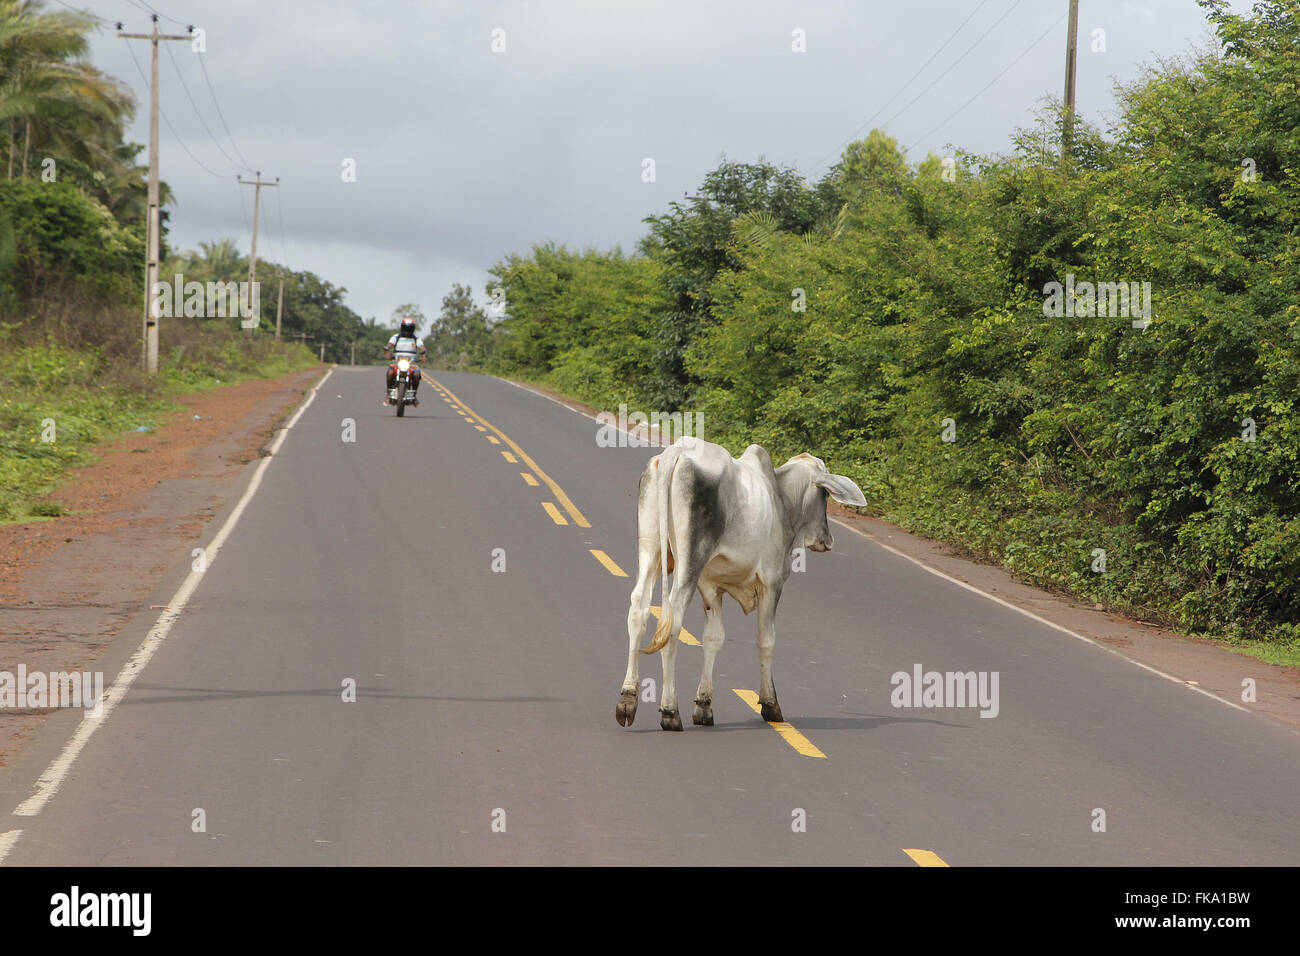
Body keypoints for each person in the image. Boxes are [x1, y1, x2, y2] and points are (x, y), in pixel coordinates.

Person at [384, 318, 427, 406]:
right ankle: (388, 395)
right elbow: (389, 345)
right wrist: (387, 350)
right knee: (390, 373)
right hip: (397, 362)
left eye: (410, 328)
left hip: (411, 363)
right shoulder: (396, 337)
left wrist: (423, 355)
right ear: (402, 327)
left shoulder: (416, 339)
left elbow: (422, 347)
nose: (408, 330)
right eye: (406, 328)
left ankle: (414, 396)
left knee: (416, 375)